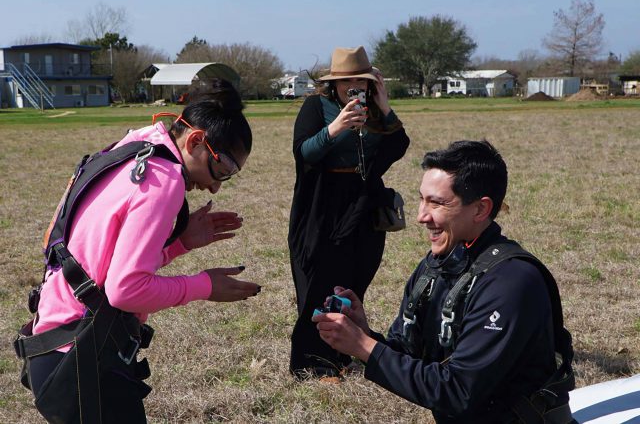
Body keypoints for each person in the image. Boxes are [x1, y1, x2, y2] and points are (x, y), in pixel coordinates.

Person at [15, 79, 261, 423]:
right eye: (221, 170)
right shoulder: (165, 180)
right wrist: (205, 286)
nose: (215, 186)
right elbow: (126, 290)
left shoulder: (138, 147)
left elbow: (105, 267)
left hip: (54, 347)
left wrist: (180, 243)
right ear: (194, 140)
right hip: (82, 359)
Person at [313, 140, 576, 423]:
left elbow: (457, 391)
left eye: (437, 203)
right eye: (422, 199)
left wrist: (364, 346)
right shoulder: (435, 267)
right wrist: (364, 333)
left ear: (480, 209)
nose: (420, 216)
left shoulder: (512, 282)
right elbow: (409, 355)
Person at [288, 46, 410, 377]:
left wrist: (385, 108)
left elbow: (398, 146)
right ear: (333, 83)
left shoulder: (373, 111)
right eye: (347, 80)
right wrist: (336, 128)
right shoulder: (318, 106)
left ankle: (345, 351)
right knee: (321, 280)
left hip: (363, 205)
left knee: (355, 276)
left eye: (362, 79)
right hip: (323, 205)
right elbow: (304, 153)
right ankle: (313, 363)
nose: (353, 85)